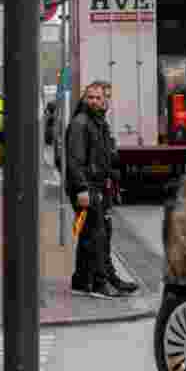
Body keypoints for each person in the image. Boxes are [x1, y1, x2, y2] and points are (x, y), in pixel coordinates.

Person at [65, 82, 123, 298]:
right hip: (86, 187)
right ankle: (99, 284)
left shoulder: (96, 122)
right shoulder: (81, 123)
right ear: (84, 98)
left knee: (90, 233)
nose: (95, 101)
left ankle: (81, 281)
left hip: (95, 185)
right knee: (96, 233)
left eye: (98, 98)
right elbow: (75, 159)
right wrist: (81, 189)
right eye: (90, 97)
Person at [96, 81, 139, 294]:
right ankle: (101, 279)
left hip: (102, 186)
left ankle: (104, 277)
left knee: (102, 233)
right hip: (95, 189)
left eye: (106, 98)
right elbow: (82, 159)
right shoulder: (86, 123)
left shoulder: (100, 123)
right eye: (102, 97)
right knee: (97, 235)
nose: (105, 102)